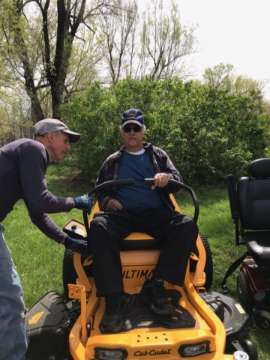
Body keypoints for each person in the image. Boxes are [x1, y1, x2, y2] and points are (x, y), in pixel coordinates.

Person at [88, 108, 198, 333]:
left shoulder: (158, 156)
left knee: (186, 225)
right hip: (122, 215)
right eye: (127, 129)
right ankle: (114, 298)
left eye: (135, 128)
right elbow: (100, 190)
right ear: (121, 132)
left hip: (155, 213)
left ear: (143, 131)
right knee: (98, 227)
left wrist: (167, 179)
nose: (131, 133)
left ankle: (156, 286)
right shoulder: (112, 161)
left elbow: (178, 182)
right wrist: (108, 202)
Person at [0, 118, 92, 360]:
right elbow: (42, 200)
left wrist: (67, 241)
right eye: (66, 139)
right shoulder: (34, 149)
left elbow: (37, 213)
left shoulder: (25, 153)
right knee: (9, 298)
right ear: (49, 136)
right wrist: (75, 201)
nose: (68, 147)